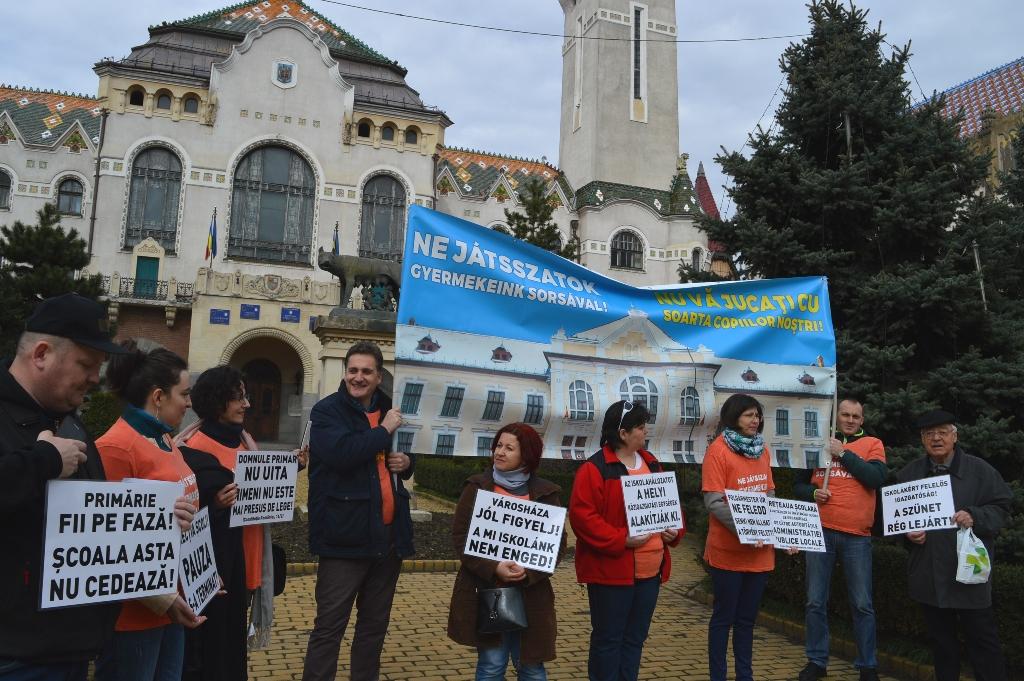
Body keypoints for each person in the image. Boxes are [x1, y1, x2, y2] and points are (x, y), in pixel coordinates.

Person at [0, 294, 127, 680]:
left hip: (70, 648)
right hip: (16, 657)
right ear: (41, 354)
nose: (95, 378)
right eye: (86, 364)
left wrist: (153, 521)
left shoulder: (68, 420)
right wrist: (44, 460)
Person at [302, 341, 415, 681]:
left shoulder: (392, 411)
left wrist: (407, 462)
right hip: (343, 539)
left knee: (373, 630)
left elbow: (410, 452)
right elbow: (342, 453)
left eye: (367, 371)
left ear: (379, 376)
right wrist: (383, 432)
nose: (358, 377)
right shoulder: (326, 412)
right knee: (329, 629)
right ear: (345, 372)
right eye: (353, 370)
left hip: (387, 538)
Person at [94, 340, 204, 681]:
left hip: (171, 605)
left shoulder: (164, 438)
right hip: (134, 617)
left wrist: (203, 574)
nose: (189, 403)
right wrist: (164, 599)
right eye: (184, 394)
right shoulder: (116, 447)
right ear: (158, 397)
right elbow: (106, 542)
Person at [569, 400, 683, 681]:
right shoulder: (594, 469)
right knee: (608, 641)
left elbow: (671, 509)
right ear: (623, 433)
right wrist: (622, 539)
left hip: (650, 575)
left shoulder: (653, 464)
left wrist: (674, 532)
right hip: (611, 575)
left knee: (634, 640)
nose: (646, 433)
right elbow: (583, 519)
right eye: (641, 428)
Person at [896, 409, 1011, 681]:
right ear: (922, 439)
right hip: (930, 575)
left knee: (984, 644)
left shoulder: (980, 471)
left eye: (943, 432)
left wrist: (975, 515)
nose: (936, 438)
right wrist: (908, 535)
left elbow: (1002, 507)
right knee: (942, 647)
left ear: (954, 436)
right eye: (929, 434)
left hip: (970, 575)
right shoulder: (908, 475)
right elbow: (895, 521)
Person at [447, 422, 566, 681]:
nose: (500, 452)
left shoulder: (547, 494)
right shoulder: (477, 487)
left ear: (527, 455)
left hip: (531, 595)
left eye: (509, 448)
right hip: (487, 591)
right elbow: (461, 537)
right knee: (491, 665)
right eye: (498, 446)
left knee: (532, 668)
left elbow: (557, 545)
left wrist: (530, 571)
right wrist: (493, 567)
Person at [702, 393, 796, 681]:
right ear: (733, 417)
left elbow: (769, 493)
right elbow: (714, 501)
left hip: (759, 555)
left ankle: (745, 675)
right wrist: (749, 529)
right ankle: (718, 676)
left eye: (757, 415)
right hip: (728, 553)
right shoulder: (717, 451)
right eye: (748, 415)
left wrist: (780, 533)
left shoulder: (762, 450)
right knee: (723, 619)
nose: (755, 421)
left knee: (746, 621)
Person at [794, 398, 886, 681]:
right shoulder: (817, 441)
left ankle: (867, 665)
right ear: (837, 416)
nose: (849, 419)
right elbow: (797, 483)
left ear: (862, 419)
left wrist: (843, 453)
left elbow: (875, 478)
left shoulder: (872, 444)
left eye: (855, 416)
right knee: (814, 601)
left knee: (861, 603)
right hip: (820, 531)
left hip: (857, 536)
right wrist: (811, 494)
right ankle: (817, 662)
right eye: (844, 414)